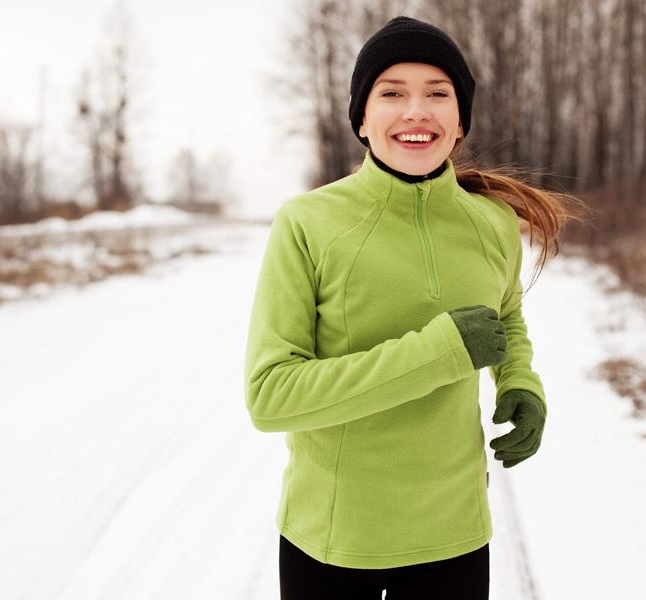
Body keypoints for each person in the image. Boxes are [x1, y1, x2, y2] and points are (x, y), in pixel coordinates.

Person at [244, 15, 585, 600]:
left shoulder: (492, 223)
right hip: (334, 537)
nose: (415, 111)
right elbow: (271, 396)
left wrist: (520, 382)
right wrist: (439, 352)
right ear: (361, 118)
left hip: (455, 535)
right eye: (391, 93)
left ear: (459, 121)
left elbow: (504, 320)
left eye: (437, 93)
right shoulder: (307, 223)